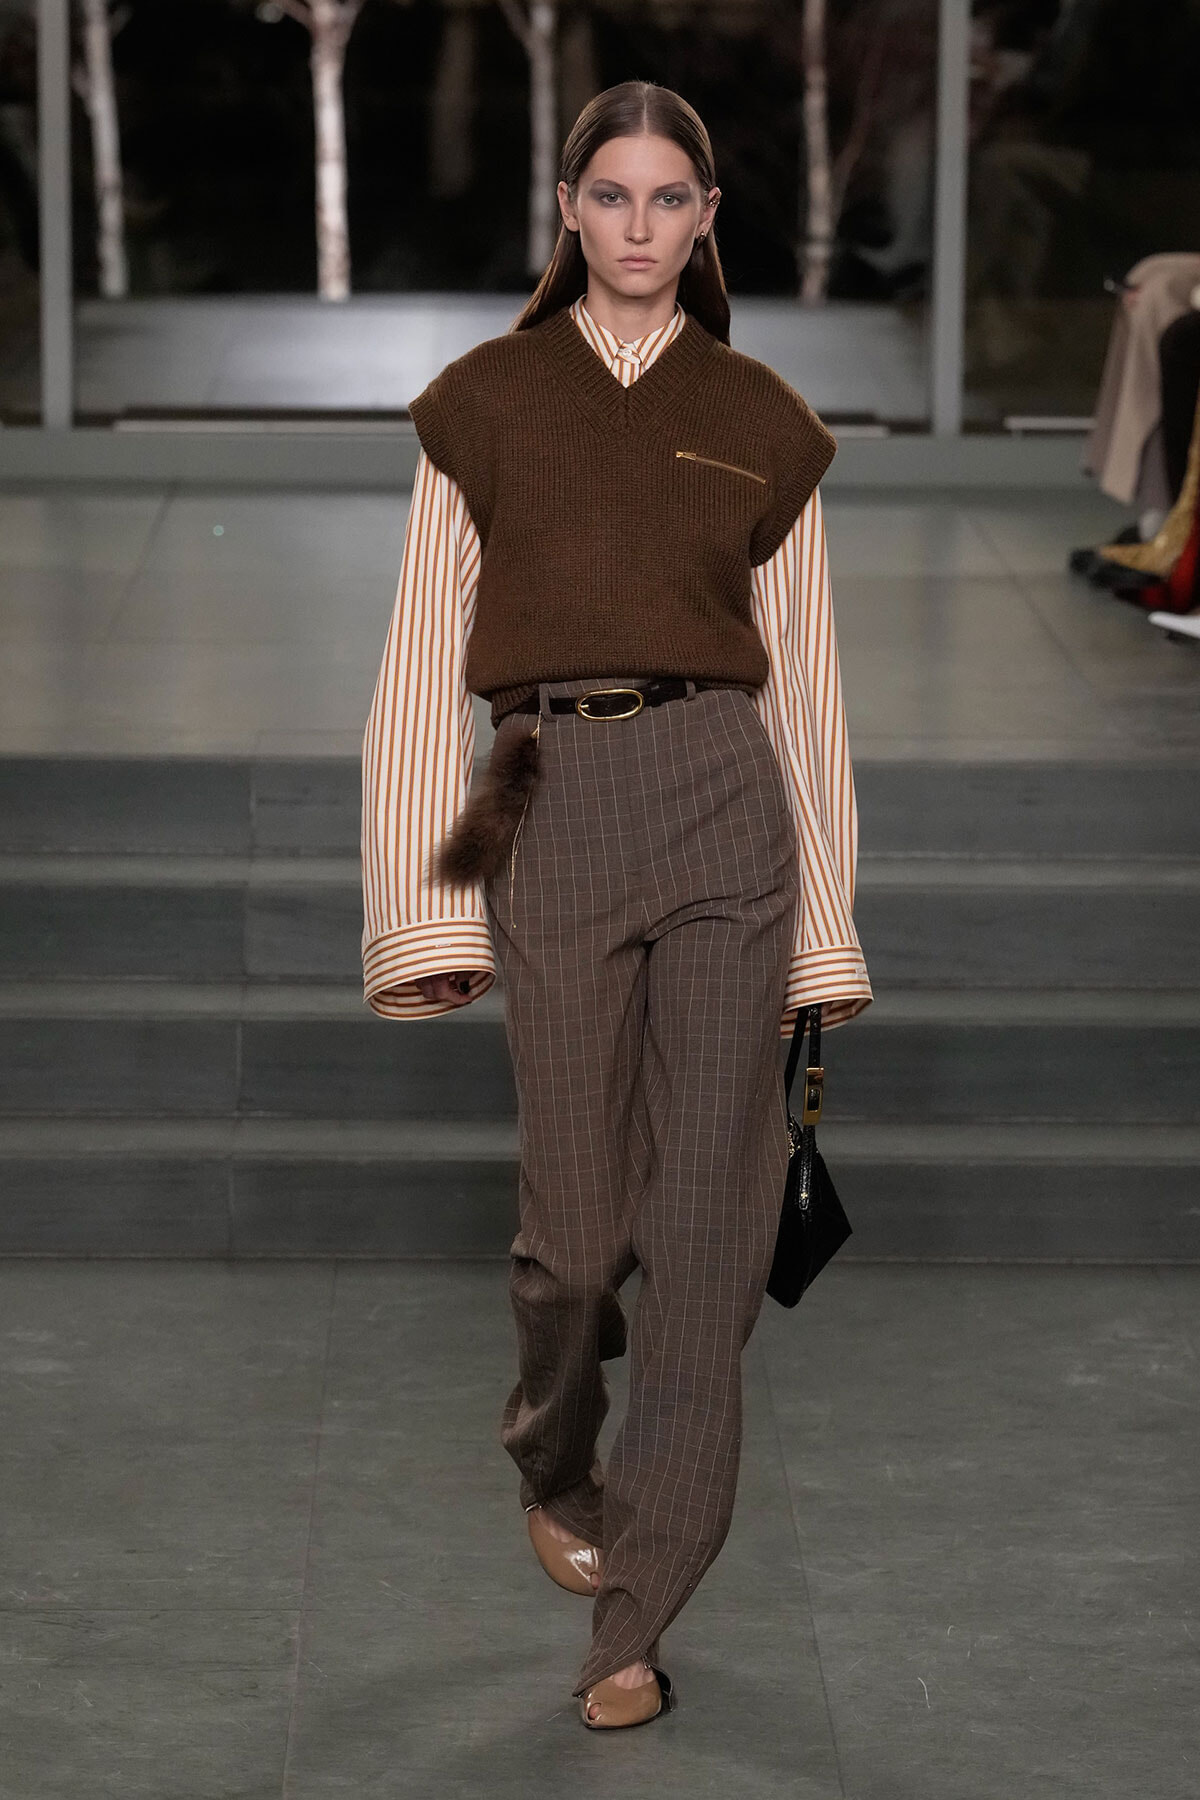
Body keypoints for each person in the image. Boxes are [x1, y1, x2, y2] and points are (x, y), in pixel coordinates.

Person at [360, 79, 872, 1731]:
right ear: (568, 210)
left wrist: (830, 926)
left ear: (708, 217)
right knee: (577, 1247)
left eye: (672, 200)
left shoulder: (764, 417)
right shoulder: (486, 404)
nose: (641, 227)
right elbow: (411, 673)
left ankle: (635, 1621)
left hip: (728, 801)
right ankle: (554, 1452)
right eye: (614, 197)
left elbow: (808, 696)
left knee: (708, 1244)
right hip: (556, 804)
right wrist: (420, 911)